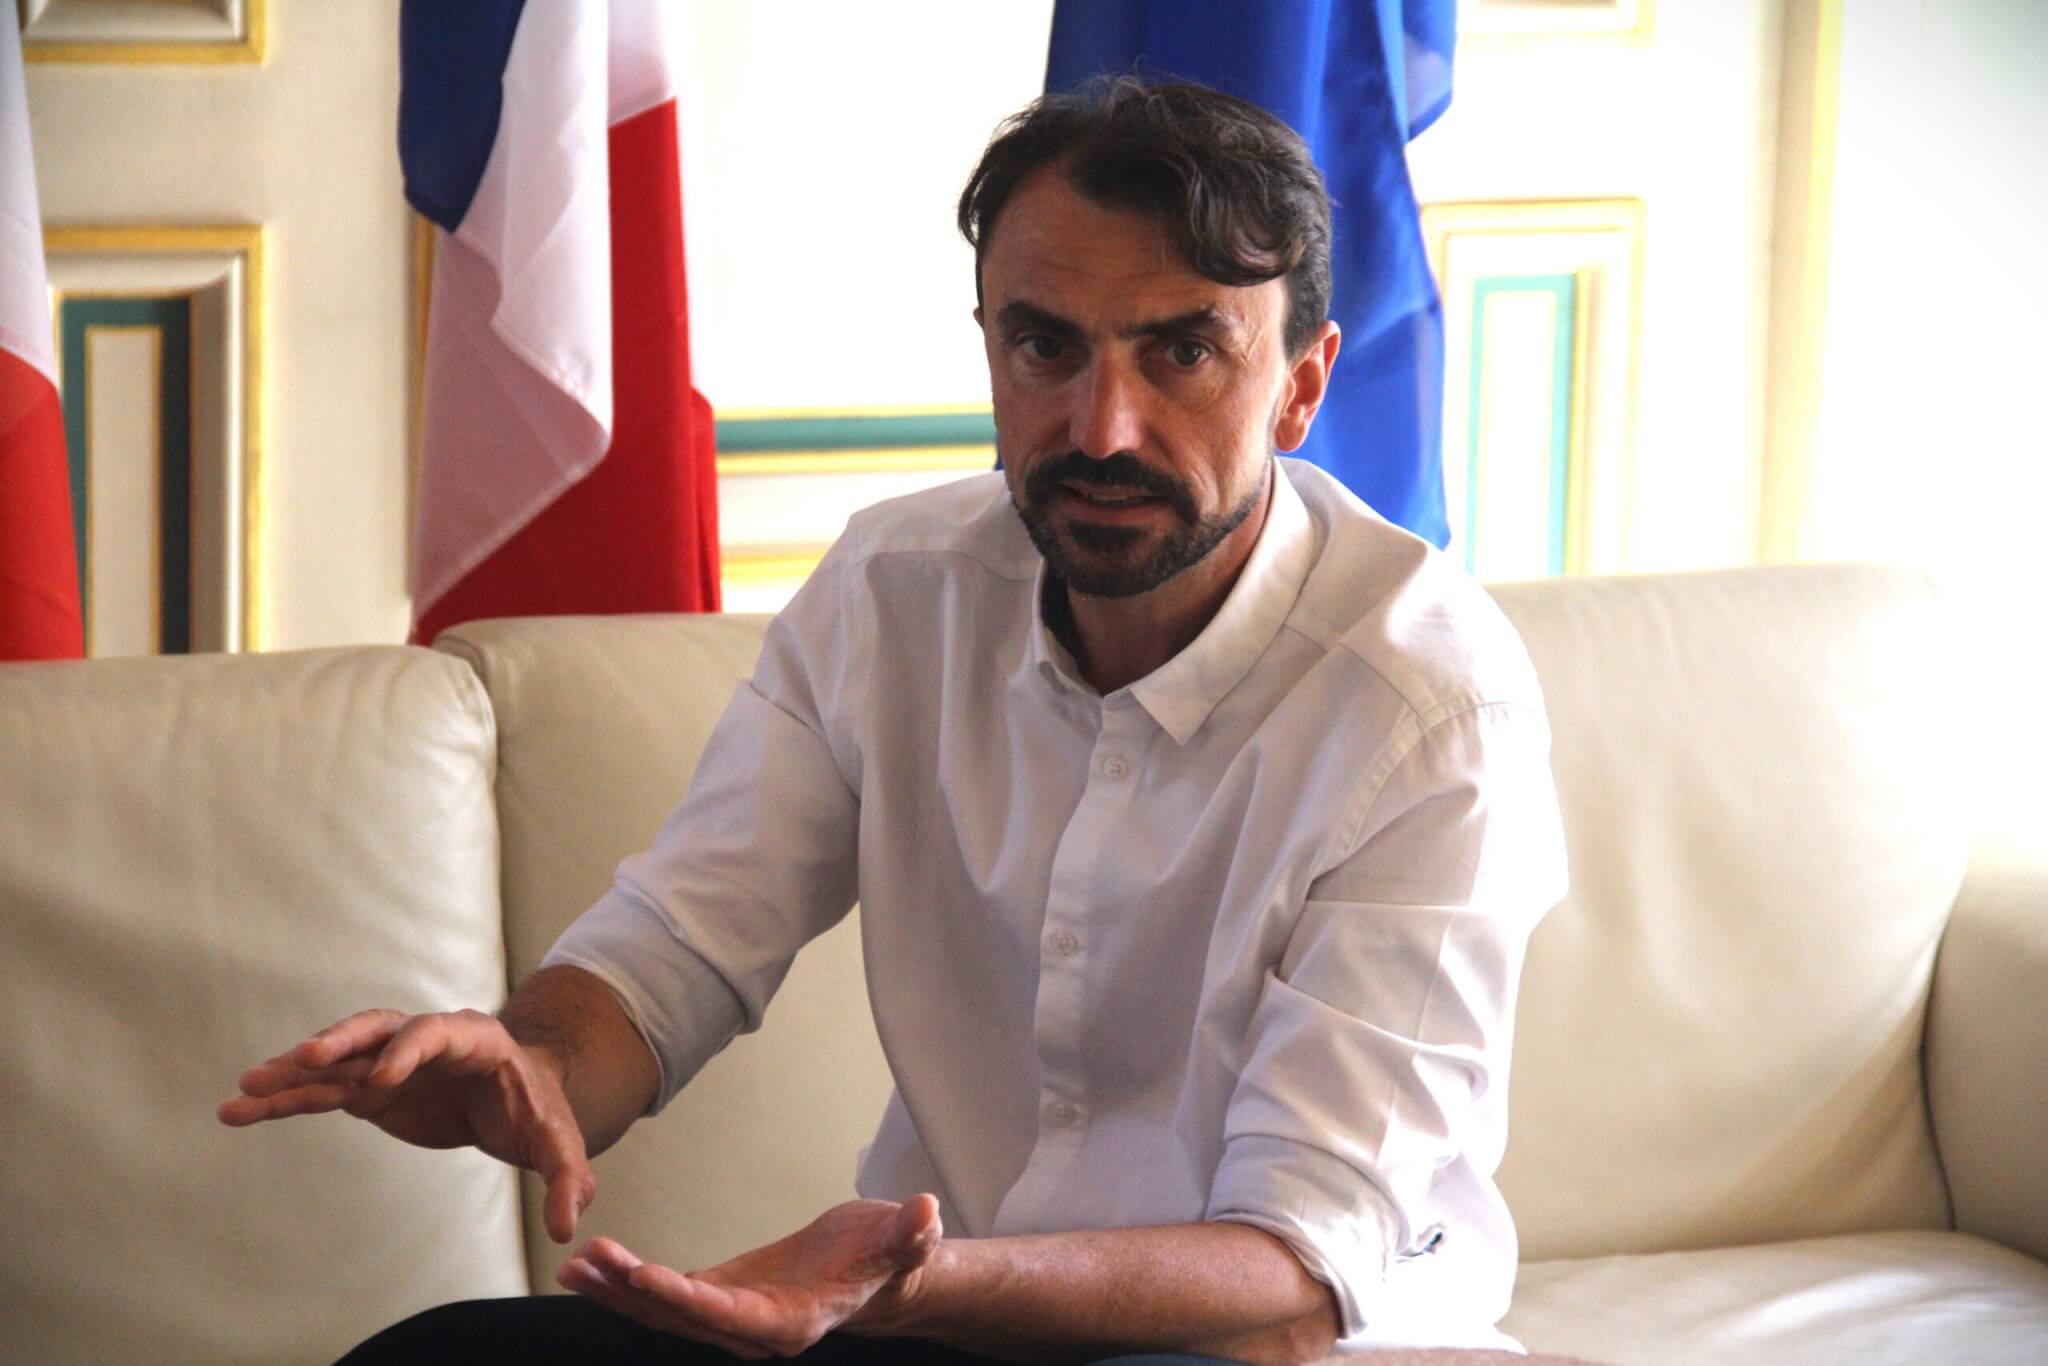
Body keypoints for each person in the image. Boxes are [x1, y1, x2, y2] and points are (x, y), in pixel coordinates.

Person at [221, 77, 1567, 1364]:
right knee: (444, 1359)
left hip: (1274, 1346)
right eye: (1047, 344)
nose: (1104, 425)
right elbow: (678, 949)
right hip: (951, 1318)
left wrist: (908, 1283)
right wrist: (531, 1061)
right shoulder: (896, 589)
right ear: (989, 339)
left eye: (1183, 353)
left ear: (1300, 382)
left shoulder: (1429, 706)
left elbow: (1290, 1276)